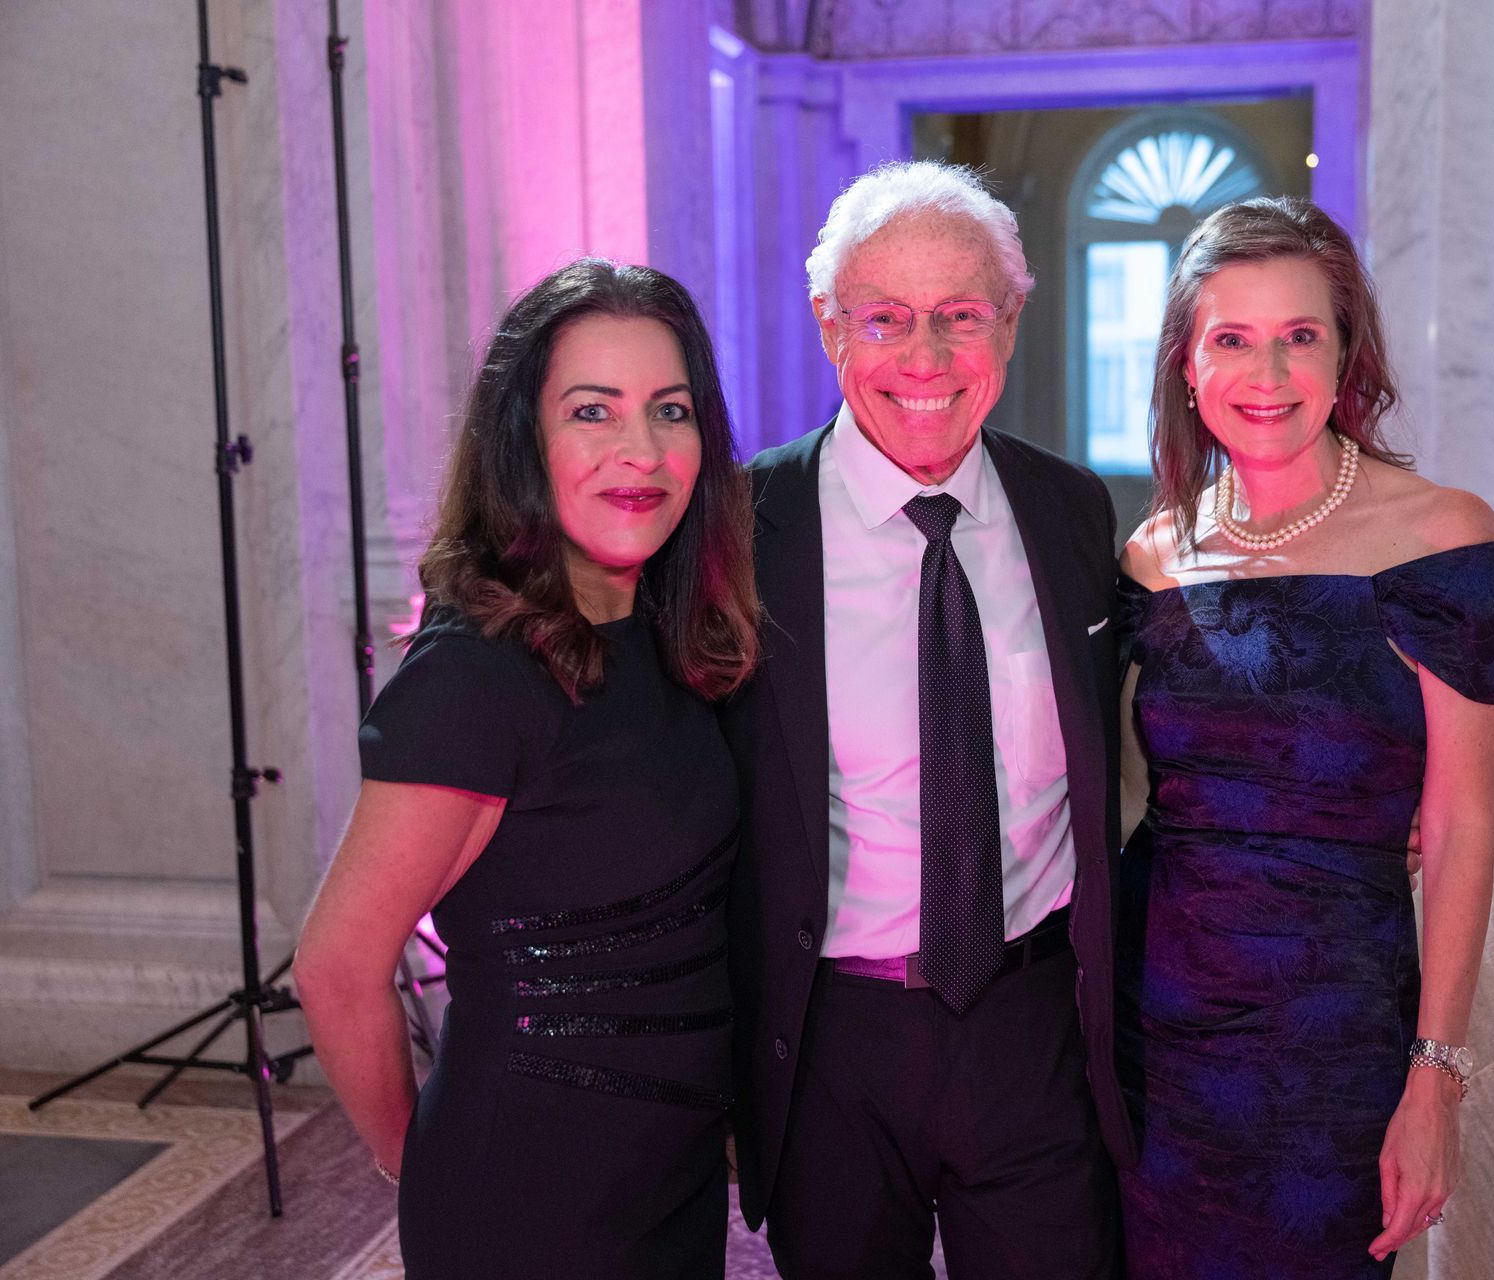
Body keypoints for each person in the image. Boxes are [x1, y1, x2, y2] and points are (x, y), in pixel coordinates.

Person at [293, 259, 758, 1279]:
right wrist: (413, 1157)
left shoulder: (665, 635)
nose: (641, 449)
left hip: (668, 1179)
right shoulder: (476, 677)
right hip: (525, 1200)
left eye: (670, 410)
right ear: (523, 439)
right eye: (593, 411)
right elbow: (335, 969)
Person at [721, 160, 1137, 1280]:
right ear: (828, 328)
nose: (926, 358)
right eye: (885, 319)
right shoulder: (739, 529)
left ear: (1011, 321)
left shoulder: (1073, 510)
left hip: (1035, 1023)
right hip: (831, 1043)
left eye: (961, 316)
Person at [1114, 196, 1494, 1278]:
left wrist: (1434, 1074)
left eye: (1301, 335)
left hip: (1334, 1041)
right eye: (1232, 339)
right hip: (1153, 1032)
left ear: (1346, 354)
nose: (1269, 372)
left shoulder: (1441, 537)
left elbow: (1462, 819)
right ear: (1187, 365)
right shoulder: (1154, 555)